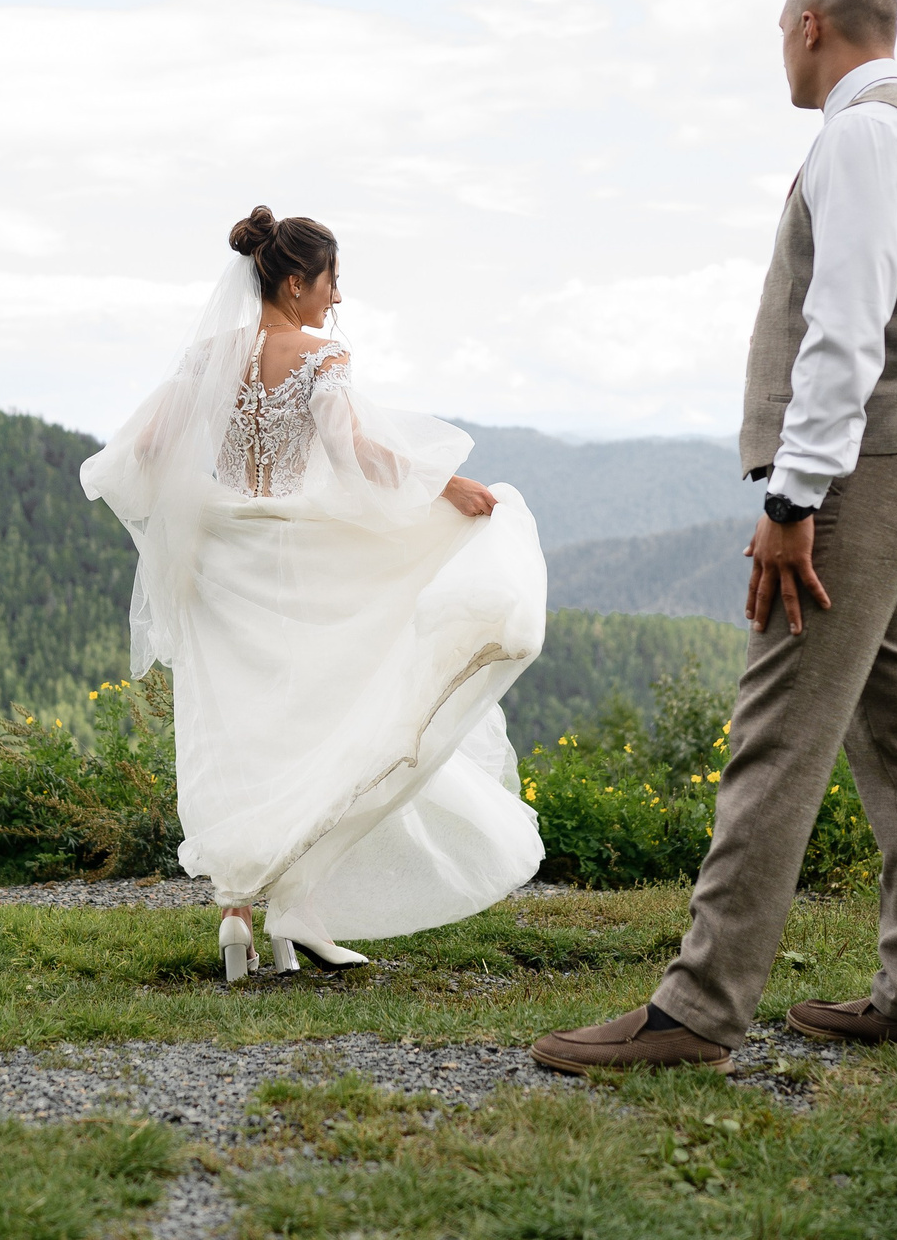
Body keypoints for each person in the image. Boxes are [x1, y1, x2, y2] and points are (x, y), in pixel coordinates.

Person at [531, 0, 897, 1074]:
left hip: (856, 471)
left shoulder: (863, 134)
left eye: (782, 29)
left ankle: (698, 1008)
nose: (780, 49)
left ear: (812, 23)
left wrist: (792, 494)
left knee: (775, 736)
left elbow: (845, 325)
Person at [81, 207, 547, 980]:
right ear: (296, 281)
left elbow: (149, 447)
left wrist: (190, 511)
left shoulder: (207, 356)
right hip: (293, 558)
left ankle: (242, 911)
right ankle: (295, 906)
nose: (337, 297)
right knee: (310, 726)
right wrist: (444, 483)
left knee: (234, 728)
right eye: (332, 280)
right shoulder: (321, 357)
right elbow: (351, 448)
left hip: (222, 561)